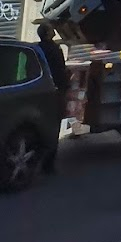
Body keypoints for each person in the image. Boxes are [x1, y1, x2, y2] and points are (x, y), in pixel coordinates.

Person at [36, 23, 68, 174]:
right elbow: (60, 70)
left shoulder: (37, 49)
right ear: (48, 33)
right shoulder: (55, 49)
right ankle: (48, 164)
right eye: (51, 29)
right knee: (54, 125)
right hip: (54, 91)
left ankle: (37, 158)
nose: (54, 30)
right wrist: (65, 88)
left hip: (39, 90)